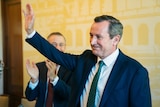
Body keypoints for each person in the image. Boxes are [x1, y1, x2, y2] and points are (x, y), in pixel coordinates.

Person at [23, 4, 152, 107]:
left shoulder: (135, 71)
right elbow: (56, 54)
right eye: (91, 35)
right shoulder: (85, 59)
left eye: (98, 37)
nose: (92, 41)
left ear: (116, 39)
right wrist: (31, 32)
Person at [25, 32, 72, 107]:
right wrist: (34, 80)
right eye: (54, 45)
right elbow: (30, 97)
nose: (57, 48)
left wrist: (54, 79)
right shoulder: (39, 67)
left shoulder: (71, 69)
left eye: (61, 45)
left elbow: (70, 96)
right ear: (46, 47)